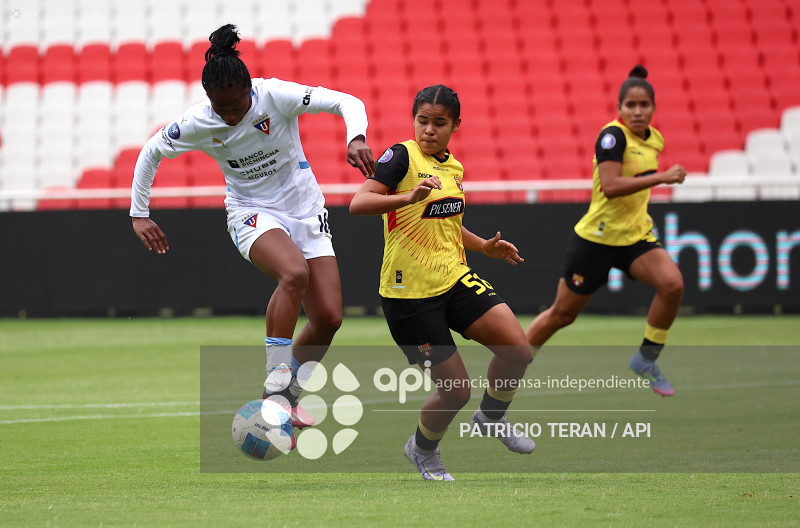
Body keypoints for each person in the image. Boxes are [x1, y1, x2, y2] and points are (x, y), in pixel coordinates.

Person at [130, 24, 375, 428]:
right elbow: (150, 153)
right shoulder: (196, 122)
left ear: (250, 90)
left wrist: (356, 138)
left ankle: (285, 396)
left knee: (329, 318)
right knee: (293, 273)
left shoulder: (275, 95)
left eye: (236, 105)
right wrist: (139, 214)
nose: (229, 115)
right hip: (251, 211)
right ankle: (277, 387)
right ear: (209, 99)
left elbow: (346, 102)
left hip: (305, 209)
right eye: (220, 107)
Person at [350, 85, 535, 481]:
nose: (429, 130)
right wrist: (407, 198)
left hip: (454, 278)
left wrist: (483, 246)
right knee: (456, 391)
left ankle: (491, 416)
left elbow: (447, 222)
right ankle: (422, 451)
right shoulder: (401, 157)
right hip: (409, 297)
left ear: (455, 126)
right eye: (422, 120)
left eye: (439, 123)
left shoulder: (454, 168)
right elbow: (358, 203)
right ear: (413, 119)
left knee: (518, 351)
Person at [525, 65, 686, 397]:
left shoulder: (654, 139)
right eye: (631, 105)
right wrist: (662, 178)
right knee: (561, 315)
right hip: (596, 239)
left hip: (635, 237)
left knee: (672, 285)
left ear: (654, 108)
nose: (638, 111)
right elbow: (611, 186)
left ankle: (646, 358)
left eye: (644, 105)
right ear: (619, 108)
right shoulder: (611, 137)